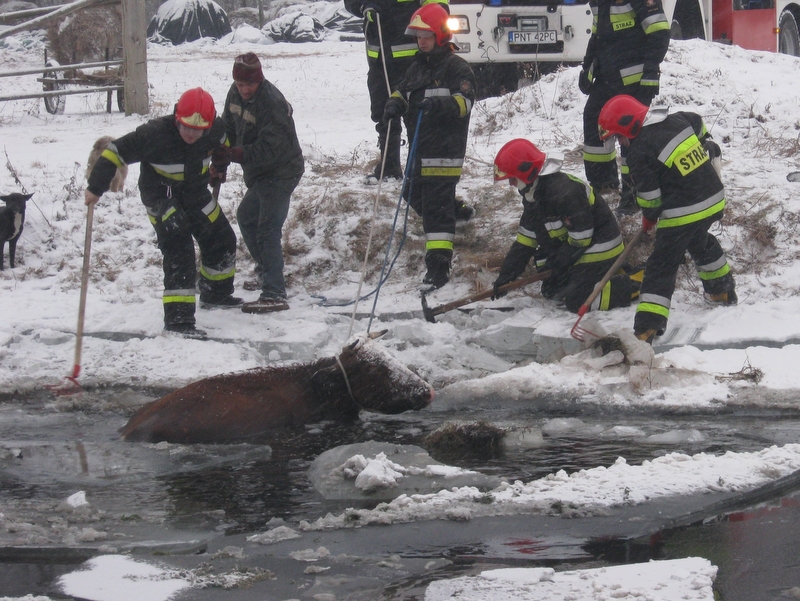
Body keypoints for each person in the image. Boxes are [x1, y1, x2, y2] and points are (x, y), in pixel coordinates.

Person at [85, 87, 240, 340]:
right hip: (161, 196)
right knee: (179, 246)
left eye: (198, 129)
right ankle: (178, 321)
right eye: (186, 127)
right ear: (177, 118)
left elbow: (223, 147)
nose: (191, 134)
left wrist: (219, 165)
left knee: (221, 237)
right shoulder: (153, 135)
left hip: (195, 193)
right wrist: (96, 187)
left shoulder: (216, 130)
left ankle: (216, 293)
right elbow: (114, 152)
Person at [597, 94, 737, 344]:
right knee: (700, 241)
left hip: (684, 211)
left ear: (630, 126)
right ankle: (722, 291)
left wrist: (649, 218)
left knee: (661, 265)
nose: (619, 143)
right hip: (713, 198)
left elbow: (650, 198)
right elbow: (698, 122)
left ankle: (647, 328)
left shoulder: (640, 151)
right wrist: (705, 141)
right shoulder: (678, 120)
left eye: (618, 136)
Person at [382, 3, 476, 289]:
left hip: (443, 152)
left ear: (439, 36)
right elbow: (404, 89)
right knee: (412, 193)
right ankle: (455, 210)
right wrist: (395, 101)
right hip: (419, 150)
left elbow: (465, 103)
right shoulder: (416, 67)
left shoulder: (457, 67)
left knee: (435, 214)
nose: (421, 42)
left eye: (426, 36)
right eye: (417, 36)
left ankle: (438, 269)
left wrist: (438, 105)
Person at [492, 139, 639, 313]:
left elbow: (582, 238)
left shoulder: (564, 192)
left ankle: (633, 283)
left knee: (576, 300)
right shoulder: (533, 194)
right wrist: (506, 277)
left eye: (512, 179)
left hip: (599, 248)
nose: (511, 184)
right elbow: (525, 241)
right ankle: (605, 276)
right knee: (552, 290)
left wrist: (558, 262)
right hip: (577, 249)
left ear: (527, 173)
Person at [214, 52, 305, 314]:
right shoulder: (234, 94)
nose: (244, 90)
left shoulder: (271, 102)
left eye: (249, 85)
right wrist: (220, 159)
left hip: (282, 170)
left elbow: (270, 148)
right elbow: (228, 130)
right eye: (240, 84)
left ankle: (274, 292)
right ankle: (266, 272)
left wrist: (237, 155)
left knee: (267, 229)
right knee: (246, 216)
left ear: (259, 80)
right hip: (260, 172)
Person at [578, 0, 671, 215]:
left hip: (635, 82)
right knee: (594, 121)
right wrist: (587, 69)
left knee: (630, 137)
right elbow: (598, 38)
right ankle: (602, 183)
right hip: (607, 78)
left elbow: (659, 33)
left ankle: (633, 195)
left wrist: (649, 73)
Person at [343, 0, 448, 184]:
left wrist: (431, 14)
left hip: (412, 57)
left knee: (416, 114)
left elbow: (439, 5)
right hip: (379, 58)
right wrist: (363, 6)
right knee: (384, 114)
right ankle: (389, 166)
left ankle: (417, 168)